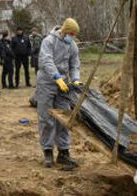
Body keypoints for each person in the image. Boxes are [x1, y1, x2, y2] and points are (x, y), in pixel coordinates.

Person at [35, 17, 81, 169]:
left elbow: (75, 64)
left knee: (64, 118)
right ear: (65, 31)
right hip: (47, 83)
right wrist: (56, 77)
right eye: (72, 34)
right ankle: (48, 151)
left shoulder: (72, 45)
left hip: (64, 87)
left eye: (75, 35)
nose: (73, 37)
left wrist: (75, 79)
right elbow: (46, 61)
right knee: (46, 118)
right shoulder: (48, 41)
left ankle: (64, 152)